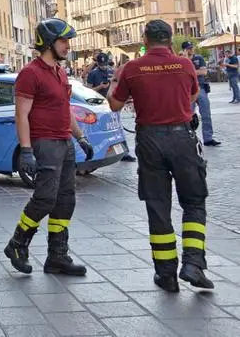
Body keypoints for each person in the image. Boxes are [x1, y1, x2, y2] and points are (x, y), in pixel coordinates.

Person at [107, 20, 213, 293]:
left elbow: (115, 104)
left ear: (145, 39)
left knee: (157, 205)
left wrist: (115, 82)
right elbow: (194, 94)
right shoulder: (185, 64)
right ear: (170, 39)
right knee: (193, 202)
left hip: (150, 139)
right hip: (182, 138)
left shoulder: (133, 68)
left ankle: (166, 274)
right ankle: (193, 265)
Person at [4, 18, 93, 277]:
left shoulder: (59, 72)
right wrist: (27, 150)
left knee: (66, 201)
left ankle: (57, 256)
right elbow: (21, 114)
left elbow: (65, 109)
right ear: (48, 43)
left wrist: (81, 138)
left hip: (64, 142)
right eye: (63, 41)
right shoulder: (30, 74)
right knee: (45, 198)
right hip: (45, 143)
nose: (68, 45)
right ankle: (17, 244)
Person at [87, 52, 136, 162]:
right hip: (99, 106)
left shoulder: (112, 71)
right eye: (102, 64)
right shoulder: (93, 74)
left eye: (105, 64)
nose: (104, 67)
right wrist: (100, 87)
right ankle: (100, 152)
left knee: (118, 128)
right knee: (102, 131)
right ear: (98, 64)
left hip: (112, 103)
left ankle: (124, 152)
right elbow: (88, 90)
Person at [181, 41, 219, 146]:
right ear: (184, 50)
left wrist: (190, 71)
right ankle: (190, 138)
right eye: (188, 48)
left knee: (206, 113)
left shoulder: (199, 58)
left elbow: (203, 72)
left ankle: (208, 138)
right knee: (189, 115)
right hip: (187, 90)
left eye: (191, 47)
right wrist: (187, 62)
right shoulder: (180, 60)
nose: (191, 49)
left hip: (200, 87)